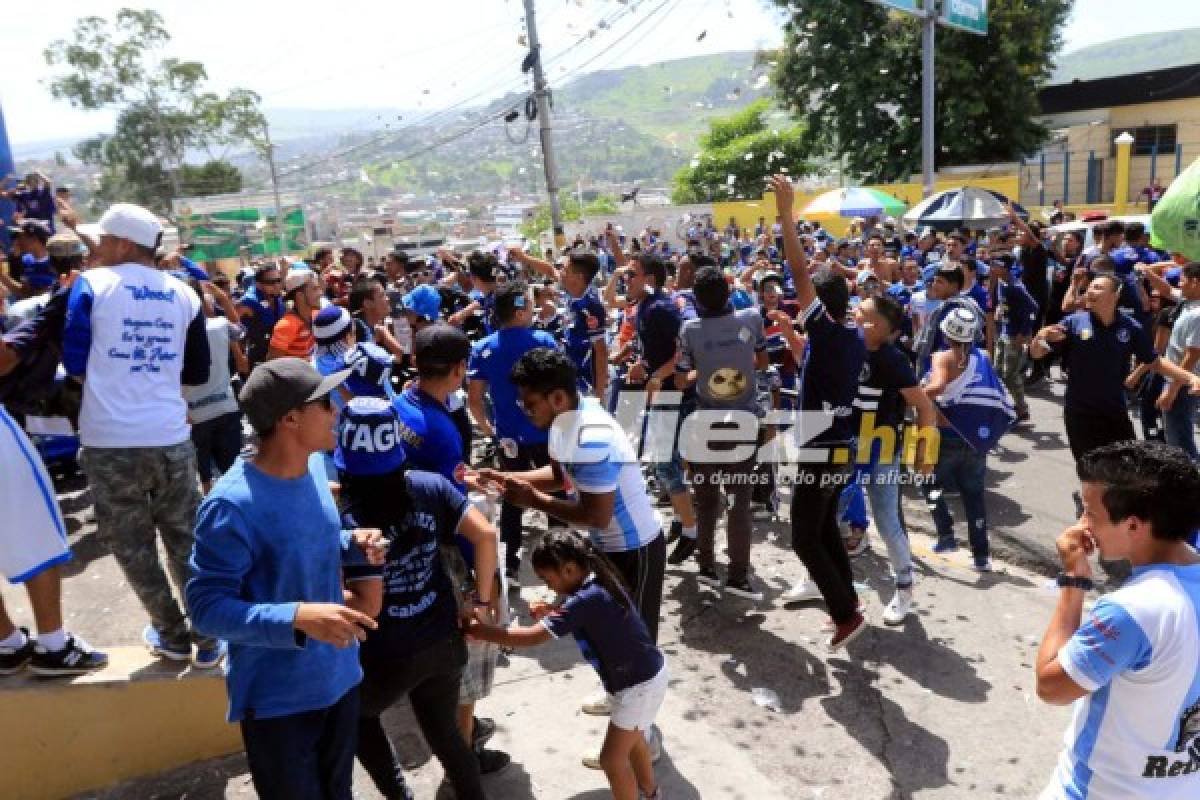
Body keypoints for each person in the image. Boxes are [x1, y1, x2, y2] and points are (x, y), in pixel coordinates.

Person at [188, 358, 385, 800]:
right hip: (280, 702)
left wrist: (353, 541)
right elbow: (205, 608)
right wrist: (296, 616)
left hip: (339, 678)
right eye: (325, 404)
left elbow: (308, 537)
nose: (336, 412)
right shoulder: (230, 506)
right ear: (291, 417)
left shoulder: (315, 468)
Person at [61, 202, 222, 668]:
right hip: (170, 437)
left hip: (109, 441)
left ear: (124, 243)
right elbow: (196, 371)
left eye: (105, 241)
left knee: (133, 547)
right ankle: (208, 638)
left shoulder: (91, 286)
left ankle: (171, 634)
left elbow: (73, 363)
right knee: (186, 539)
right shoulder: (185, 294)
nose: (98, 250)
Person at [334, 395, 499, 800]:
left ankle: (397, 793)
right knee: (447, 735)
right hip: (442, 639)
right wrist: (480, 601)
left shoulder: (343, 517)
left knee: (357, 717)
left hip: (383, 657)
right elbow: (486, 535)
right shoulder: (430, 486)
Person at [1035, 440, 1200, 799]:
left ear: (1134, 525)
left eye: (1090, 513)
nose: (1082, 523)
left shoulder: (1134, 610)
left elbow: (1051, 686)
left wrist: (1074, 580)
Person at [465, 531, 667, 800]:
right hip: (642, 678)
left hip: (638, 687)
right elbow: (587, 618)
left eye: (549, 580)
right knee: (635, 739)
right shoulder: (595, 583)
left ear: (570, 569)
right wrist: (551, 613)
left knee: (611, 761)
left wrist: (481, 631)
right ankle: (652, 793)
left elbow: (533, 637)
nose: (549, 588)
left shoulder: (585, 599)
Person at [768, 174, 867, 650]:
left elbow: (800, 273)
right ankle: (848, 604)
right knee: (824, 528)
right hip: (837, 447)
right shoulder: (846, 338)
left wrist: (788, 214)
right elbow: (812, 357)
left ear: (820, 309)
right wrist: (791, 334)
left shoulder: (831, 335)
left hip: (822, 451)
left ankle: (845, 613)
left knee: (805, 538)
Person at [1030, 273, 1200, 463]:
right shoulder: (1073, 323)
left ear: (1115, 295)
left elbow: (1155, 361)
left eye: (1098, 288)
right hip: (1079, 411)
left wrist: (1189, 378)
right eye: (1089, 288)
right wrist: (1040, 337)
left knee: (1126, 464)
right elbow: (1036, 354)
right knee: (1090, 468)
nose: (1089, 292)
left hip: (1114, 410)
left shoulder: (1130, 327)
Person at [674, 265, 767, 601]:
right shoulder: (752, 320)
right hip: (743, 422)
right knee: (740, 504)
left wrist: (705, 365)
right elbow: (762, 362)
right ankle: (739, 577)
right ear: (729, 290)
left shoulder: (690, 330)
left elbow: (681, 379)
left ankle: (707, 567)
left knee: (706, 501)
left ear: (696, 299)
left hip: (704, 426)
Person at [847, 294, 938, 624]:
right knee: (829, 513)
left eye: (864, 313)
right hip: (847, 445)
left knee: (887, 520)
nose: (855, 315)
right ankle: (819, 578)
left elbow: (925, 407)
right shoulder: (850, 347)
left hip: (882, 450)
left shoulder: (893, 360)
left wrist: (925, 451)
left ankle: (904, 587)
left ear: (883, 327)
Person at [466, 281, 560, 587]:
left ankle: (510, 566)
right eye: (531, 305)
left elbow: (474, 398)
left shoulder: (483, 348)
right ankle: (561, 560)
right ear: (520, 312)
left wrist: (489, 431)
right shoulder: (543, 340)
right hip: (547, 435)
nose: (534, 310)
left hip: (508, 438)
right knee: (555, 493)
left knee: (512, 498)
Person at [921, 308, 1014, 570]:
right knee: (973, 497)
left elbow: (937, 387)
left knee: (927, 482)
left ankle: (946, 535)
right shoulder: (982, 356)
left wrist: (916, 393)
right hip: (975, 439)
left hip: (947, 436)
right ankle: (981, 556)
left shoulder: (942, 357)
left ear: (945, 333)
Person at [184, 279, 249, 493]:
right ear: (202, 301)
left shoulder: (172, 335)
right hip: (225, 408)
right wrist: (223, 299)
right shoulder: (220, 326)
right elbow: (240, 329)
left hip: (192, 416)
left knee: (204, 475)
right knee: (233, 470)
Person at [1156, 262, 1200, 461]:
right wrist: (1147, 272)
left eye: (1182, 280)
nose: (1179, 284)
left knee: (1180, 442)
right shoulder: (1187, 302)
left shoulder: (1197, 315)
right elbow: (1165, 290)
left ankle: (1190, 484)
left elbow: (1192, 355)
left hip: (1183, 385)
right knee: (1175, 438)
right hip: (1176, 380)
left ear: (1195, 282)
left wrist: (1172, 390)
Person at [990, 254, 1038, 422]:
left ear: (1004, 267)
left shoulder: (1016, 286)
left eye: (995, 264)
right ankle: (1002, 406)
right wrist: (998, 309)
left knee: (1011, 373)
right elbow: (1005, 303)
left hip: (1014, 335)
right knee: (997, 371)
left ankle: (1021, 407)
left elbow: (1033, 307)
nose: (992, 267)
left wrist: (1023, 333)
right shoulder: (1001, 283)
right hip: (1003, 331)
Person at [237, 264, 286, 371]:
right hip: (258, 358)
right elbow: (231, 327)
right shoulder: (248, 302)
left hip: (278, 354)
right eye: (271, 282)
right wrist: (240, 356)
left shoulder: (277, 296)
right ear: (258, 284)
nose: (277, 285)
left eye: (278, 280)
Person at [268, 265, 321, 360]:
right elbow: (272, 365)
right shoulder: (286, 326)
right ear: (300, 296)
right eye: (315, 289)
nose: (320, 293)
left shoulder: (316, 315)